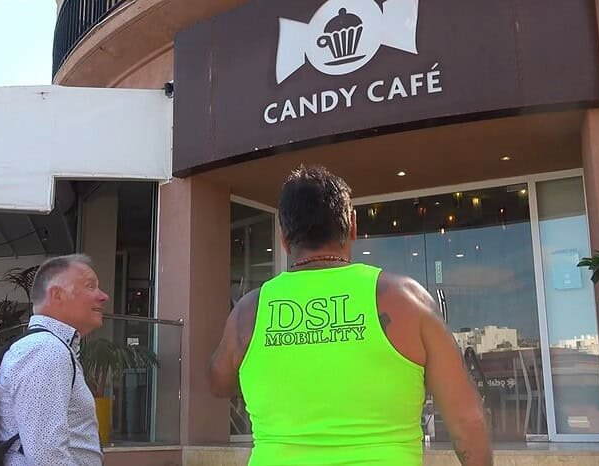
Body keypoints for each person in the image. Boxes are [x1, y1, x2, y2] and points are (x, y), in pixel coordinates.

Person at [210, 166, 493, 466]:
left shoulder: (249, 313)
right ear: (353, 226)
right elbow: (466, 421)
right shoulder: (404, 300)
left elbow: (218, 382)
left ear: (283, 237)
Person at [0, 254, 109, 466]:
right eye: (90, 286)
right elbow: (46, 457)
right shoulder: (46, 350)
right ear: (57, 294)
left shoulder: (51, 348)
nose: (103, 296)